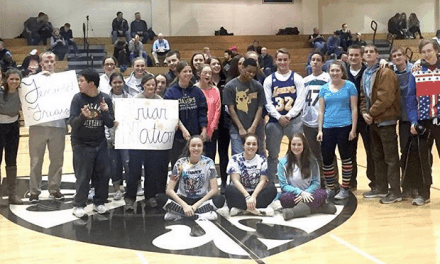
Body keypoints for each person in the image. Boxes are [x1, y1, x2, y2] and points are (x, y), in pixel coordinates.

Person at [69, 68, 115, 218]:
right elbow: (72, 124)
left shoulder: (105, 99)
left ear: (91, 83)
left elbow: (109, 124)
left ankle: (99, 203)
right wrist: (83, 116)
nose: (79, 84)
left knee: (103, 173)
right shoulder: (77, 99)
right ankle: (79, 205)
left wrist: (106, 112)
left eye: (82, 81)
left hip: (100, 142)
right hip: (81, 143)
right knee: (83, 175)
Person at [360, 45, 401, 204]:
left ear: (377, 55)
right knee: (378, 156)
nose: (369, 54)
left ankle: (395, 191)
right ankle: (382, 188)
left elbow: (386, 98)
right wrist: (364, 113)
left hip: (386, 120)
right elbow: (363, 96)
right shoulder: (365, 73)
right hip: (373, 121)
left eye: (372, 51)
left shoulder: (386, 72)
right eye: (366, 52)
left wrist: (370, 113)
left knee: (390, 158)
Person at [125, 74, 169, 210]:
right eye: (148, 84)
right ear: (143, 85)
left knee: (151, 170)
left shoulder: (160, 100)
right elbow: (128, 118)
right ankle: (130, 198)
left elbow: (166, 118)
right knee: (134, 171)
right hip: (137, 142)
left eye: (153, 85)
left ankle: (150, 196)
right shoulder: (135, 100)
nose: (151, 87)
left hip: (152, 142)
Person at [28, 52, 67, 203]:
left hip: (57, 125)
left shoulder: (63, 81)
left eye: (52, 61)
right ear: (41, 63)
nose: (49, 64)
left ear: (55, 63)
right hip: (38, 125)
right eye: (46, 61)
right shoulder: (32, 80)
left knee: (57, 160)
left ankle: (54, 188)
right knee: (36, 160)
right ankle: (34, 191)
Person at [405, 39, 440, 205]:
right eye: (423, 52)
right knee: (423, 160)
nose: (426, 54)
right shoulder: (416, 71)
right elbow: (411, 98)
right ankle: (424, 192)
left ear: (436, 50)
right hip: (423, 122)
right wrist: (413, 121)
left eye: (429, 51)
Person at [317, 61, 357, 200]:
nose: (334, 73)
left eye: (337, 70)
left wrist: (353, 129)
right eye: (332, 70)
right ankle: (330, 187)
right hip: (328, 127)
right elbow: (321, 111)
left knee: (346, 158)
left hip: (344, 127)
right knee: (327, 159)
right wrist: (320, 130)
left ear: (342, 72)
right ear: (329, 71)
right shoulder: (324, 88)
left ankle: (345, 188)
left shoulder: (350, 86)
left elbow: (354, 109)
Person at [159, 136, 225, 221]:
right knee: (160, 198)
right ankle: (199, 214)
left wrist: (195, 206)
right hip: (183, 198)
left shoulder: (209, 163)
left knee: (220, 199)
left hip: (201, 200)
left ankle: (180, 213)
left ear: (202, 147)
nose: (196, 148)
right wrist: (184, 205)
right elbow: (169, 190)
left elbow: (214, 190)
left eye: (199, 145)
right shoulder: (180, 163)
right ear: (188, 147)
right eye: (193, 145)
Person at [264, 48, 305, 182]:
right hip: (275, 122)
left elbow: (300, 100)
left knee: (298, 151)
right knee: (273, 154)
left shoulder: (297, 78)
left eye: (285, 59)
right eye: (280, 59)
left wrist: (289, 115)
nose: (282, 62)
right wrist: (278, 116)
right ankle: (271, 181)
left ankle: (298, 179)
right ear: (276, 61)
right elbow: (267, 102)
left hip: (293, 121)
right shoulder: (269, 80)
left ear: (289, 60)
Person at [278, 133, 337, 220]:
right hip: (293, 195)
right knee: (285, 198)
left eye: (299, 144)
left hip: (310, 193)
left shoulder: (312, 161)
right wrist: (301, 193)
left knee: (322, 193)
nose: (296, 147)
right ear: (289, 145)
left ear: (304, 145)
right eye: (293, 144)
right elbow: (283, 185)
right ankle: (318, 208)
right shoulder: (283, 162)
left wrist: (307, 193)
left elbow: (316, 183)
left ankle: (292, 212)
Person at [164, 61, 207, 169]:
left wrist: (204, 128)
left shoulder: (197, 91)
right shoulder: (171, 92)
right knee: (178, 165)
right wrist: (183, 129)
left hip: (195, 135)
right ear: (178, 73)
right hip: (178, 136)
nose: (188, 74)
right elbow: (171, 113)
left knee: (195, 165)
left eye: (190, 71)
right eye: (185, 71)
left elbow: (202, 111)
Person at [225, 134, 276, 216]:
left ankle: (243, 209)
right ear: (243, 145)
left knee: (272, 189)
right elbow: (235, 181)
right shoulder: (235, 159)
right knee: (228, 190)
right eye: (248, 144)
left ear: (257, 146)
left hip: (256, 193)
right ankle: (257, 210)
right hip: (241, 193)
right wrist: (247, 197)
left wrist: (253, 197)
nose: (251, 146)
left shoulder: (262, 159)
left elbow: (262, 181)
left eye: (254, 144)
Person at [224, 58, 265, 156]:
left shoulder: (258, 86)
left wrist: (253, 127)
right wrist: (240, 127)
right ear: (242, 68)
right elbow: (231, 109)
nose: (251, 74)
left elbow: (260, 107)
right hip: (237, 128)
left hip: (255, 128)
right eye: (249, 71)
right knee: (238, 157)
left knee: (257, 156)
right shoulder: (230, 86)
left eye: (254, 72)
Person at [346, 45, 374, 191]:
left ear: (361, 56)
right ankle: (351, 182)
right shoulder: (343, 72)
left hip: (366, 117)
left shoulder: (368, 71)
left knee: (371, 150)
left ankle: (374, 182)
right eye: (351, 55)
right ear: (347, 56)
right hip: (348, 119)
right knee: (350, 151)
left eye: (356, 55)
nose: (353, 57)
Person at [390, 46, 415, 198]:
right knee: (404, 151)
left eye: (400, 55)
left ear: (405, 56)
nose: (398, 57)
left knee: (416, 153)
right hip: (399, 117)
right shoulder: (390, 71)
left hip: (413, 117)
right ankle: (406, 184)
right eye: (394, 55)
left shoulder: (414, 70)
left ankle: (417, 185)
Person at [302, 52, 330, 181]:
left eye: (318, 60)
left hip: (324, 121)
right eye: (313, 59)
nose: (315, 62)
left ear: (322, 63)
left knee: (327, 153)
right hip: (308, 122)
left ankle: (332, 180)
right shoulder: (305, 80)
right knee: (313, 154)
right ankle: (318, 179)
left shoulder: (328, 78)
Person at [106, 72, 131, 201]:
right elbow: (104, 120)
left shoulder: (130, 98)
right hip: (112, 138)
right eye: (114, 82)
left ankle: (131, 187)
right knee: (114, 165)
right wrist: (107, 137)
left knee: (128, 163)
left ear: (123, 83)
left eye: (119, 82)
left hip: (127, 137)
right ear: (110, 84)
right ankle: (117, 190)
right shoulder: (105, 99)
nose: (117, 85)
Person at [0, 69, 23, 205]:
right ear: (6, 79)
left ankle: (12, 194)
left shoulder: (22, 93)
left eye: (17, 79)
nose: (14, 82)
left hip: (13, 128)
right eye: (11, 79)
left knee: (11, 160)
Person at [206, 57, 229, 192]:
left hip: (224, 123)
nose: (216, 66)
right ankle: (210, 184)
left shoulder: (227, 81)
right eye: (213, 64)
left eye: (218, 64)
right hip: (210, 124)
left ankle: (225, 183)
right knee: (209, 155)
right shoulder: (205, 83)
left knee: (224, 153)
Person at [195, 64, 221, 161]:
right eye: (205, 73)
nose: (208, 75)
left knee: (210, 158)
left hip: (211, 130)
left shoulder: (215, 90)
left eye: (209, 73)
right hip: (197, 130)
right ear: (199, 74)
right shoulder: (194, 90)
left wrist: (210, 130)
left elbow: (217, 110)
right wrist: (202, 130)